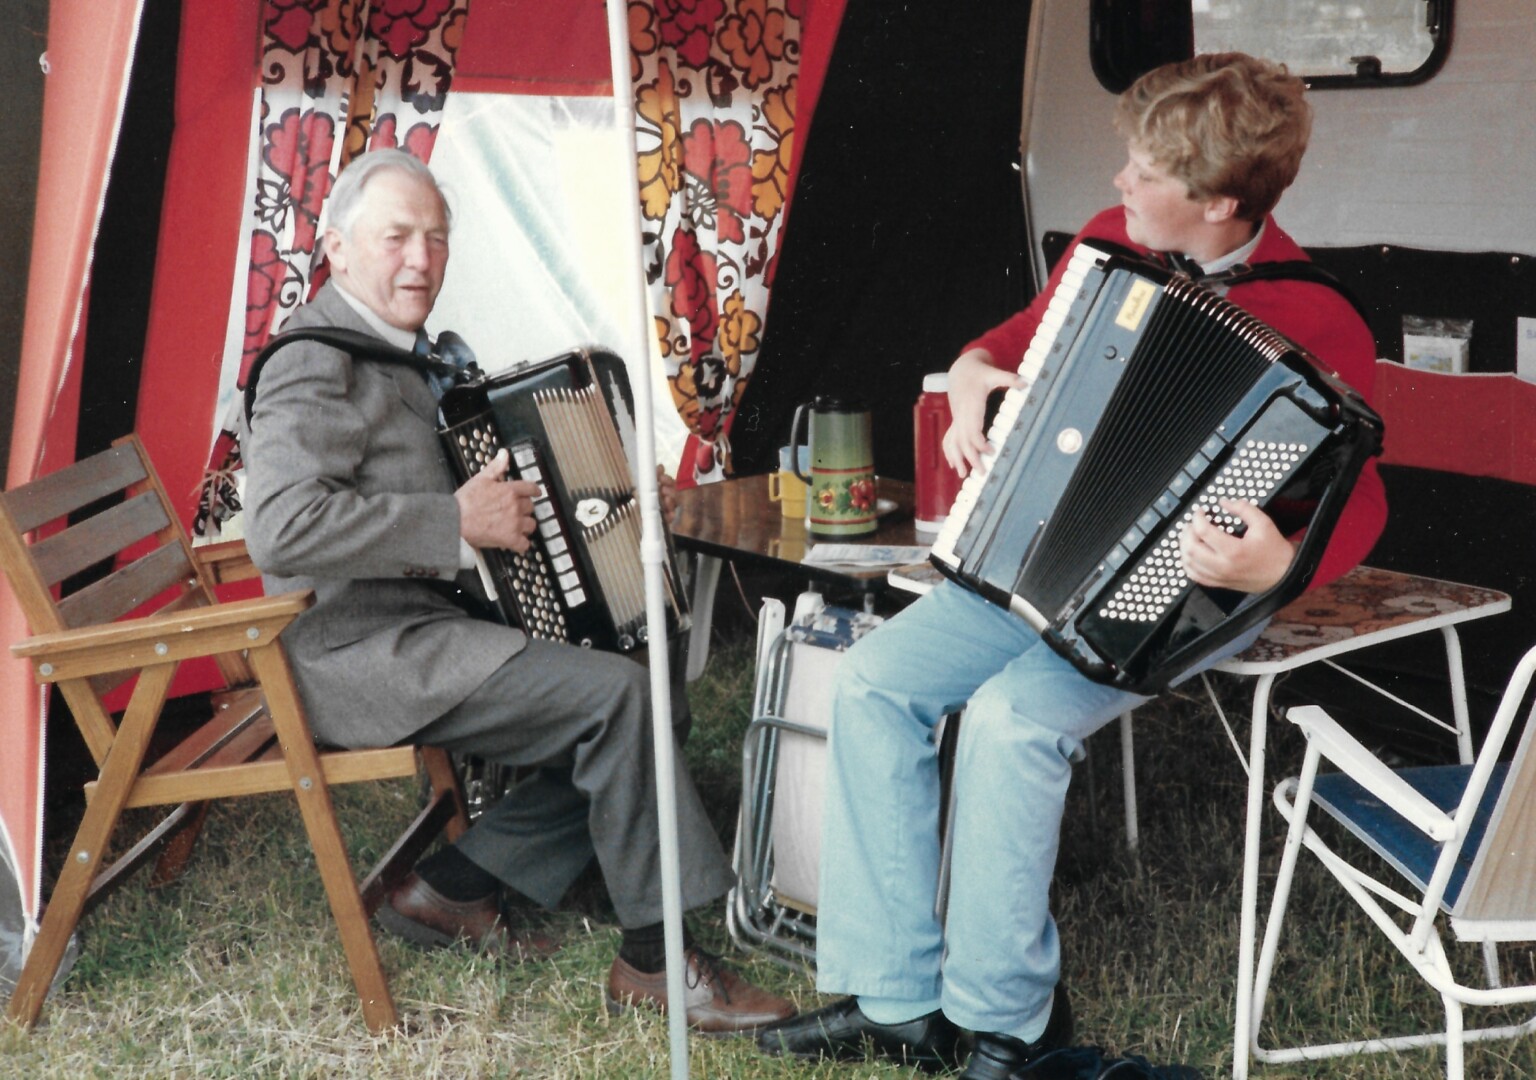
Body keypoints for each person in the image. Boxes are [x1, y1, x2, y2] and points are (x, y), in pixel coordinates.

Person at [757, 53, 1387, 1077]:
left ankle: (1007, 1026)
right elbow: (1008, 342)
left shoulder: (1321, 318)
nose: (1118, 187)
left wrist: (1280, 561)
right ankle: (899, 1000)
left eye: (1145, 174)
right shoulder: (1104, 247)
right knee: (876, 682)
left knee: (1012, 722)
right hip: (1041, 555)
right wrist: (969, 378)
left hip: (1179, 594)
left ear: (1222, 203)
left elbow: (1363, 498)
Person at [241, 148, 794, 1035]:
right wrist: (452, 525)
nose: (420, 259)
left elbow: (477, 472)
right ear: (338, 250)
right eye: (395, 237)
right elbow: (281, 527)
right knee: (622, 701)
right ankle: (656, 964)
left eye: (436, 237)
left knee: (647, 674)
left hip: (427, 625)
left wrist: (599, 485)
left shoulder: (404, 353)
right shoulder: (315, 365)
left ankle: (456, 887)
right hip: (361, 654)